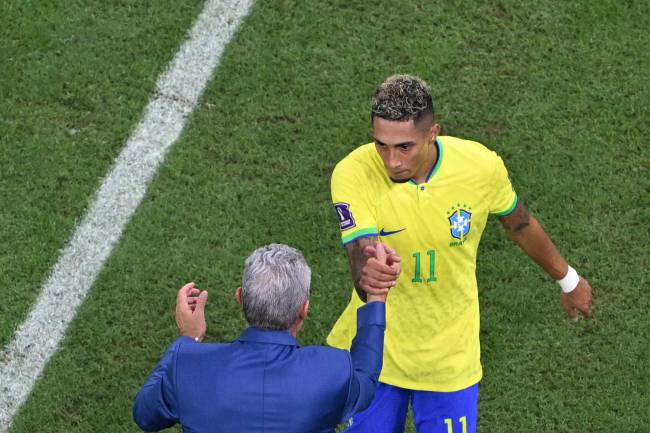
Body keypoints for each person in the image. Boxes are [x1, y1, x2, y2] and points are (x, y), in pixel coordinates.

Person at [327, 74, 593, 433]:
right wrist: (370, 273)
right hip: (374, 351)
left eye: (404, 147)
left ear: (433, 133)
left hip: (449, 357)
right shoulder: (353, 172)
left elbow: (519, 224)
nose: (391, 161)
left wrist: (568, 279)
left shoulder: (480, 166)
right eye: (381, 145)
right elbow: (361, 257)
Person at [133, 243, 398, 433]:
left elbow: (145, 416)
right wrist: (376, 296)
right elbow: (366, 377)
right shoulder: (332, 370)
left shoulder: (188, 364)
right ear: (304, 309)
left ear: (240, 299)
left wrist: (188, 340)